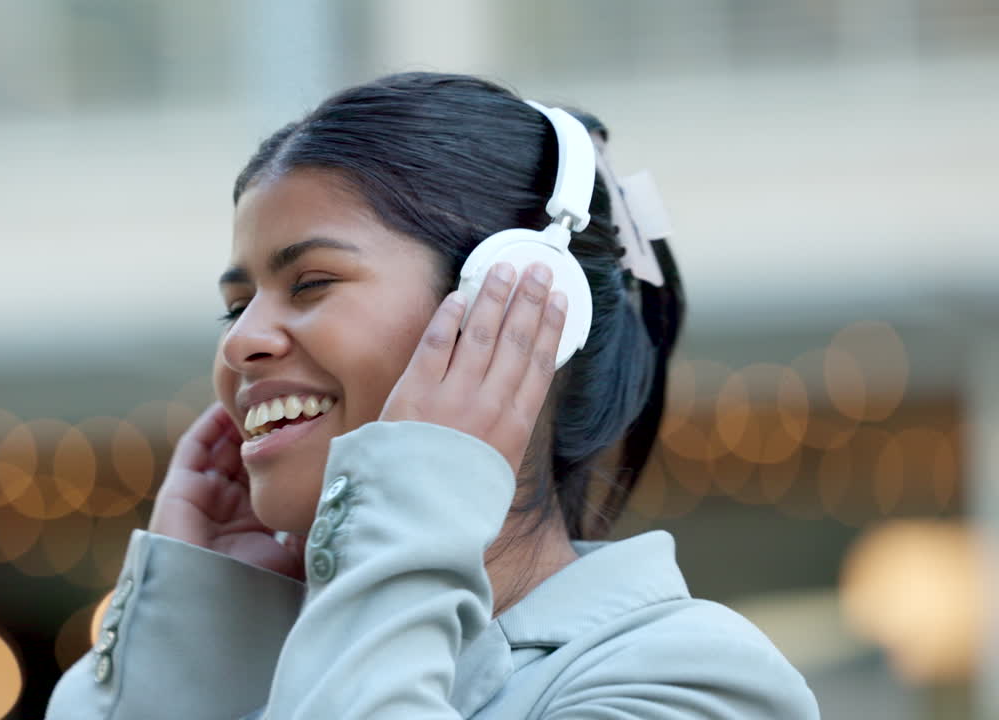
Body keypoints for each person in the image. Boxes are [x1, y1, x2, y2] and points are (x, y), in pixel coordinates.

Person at [46, 72, 820, 719]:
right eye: (237, 304)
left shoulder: (693, 682)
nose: (239, 342)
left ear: (512, 302)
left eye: (310, 282)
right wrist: (195, 635)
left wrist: (406, 511)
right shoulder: (231, 659)